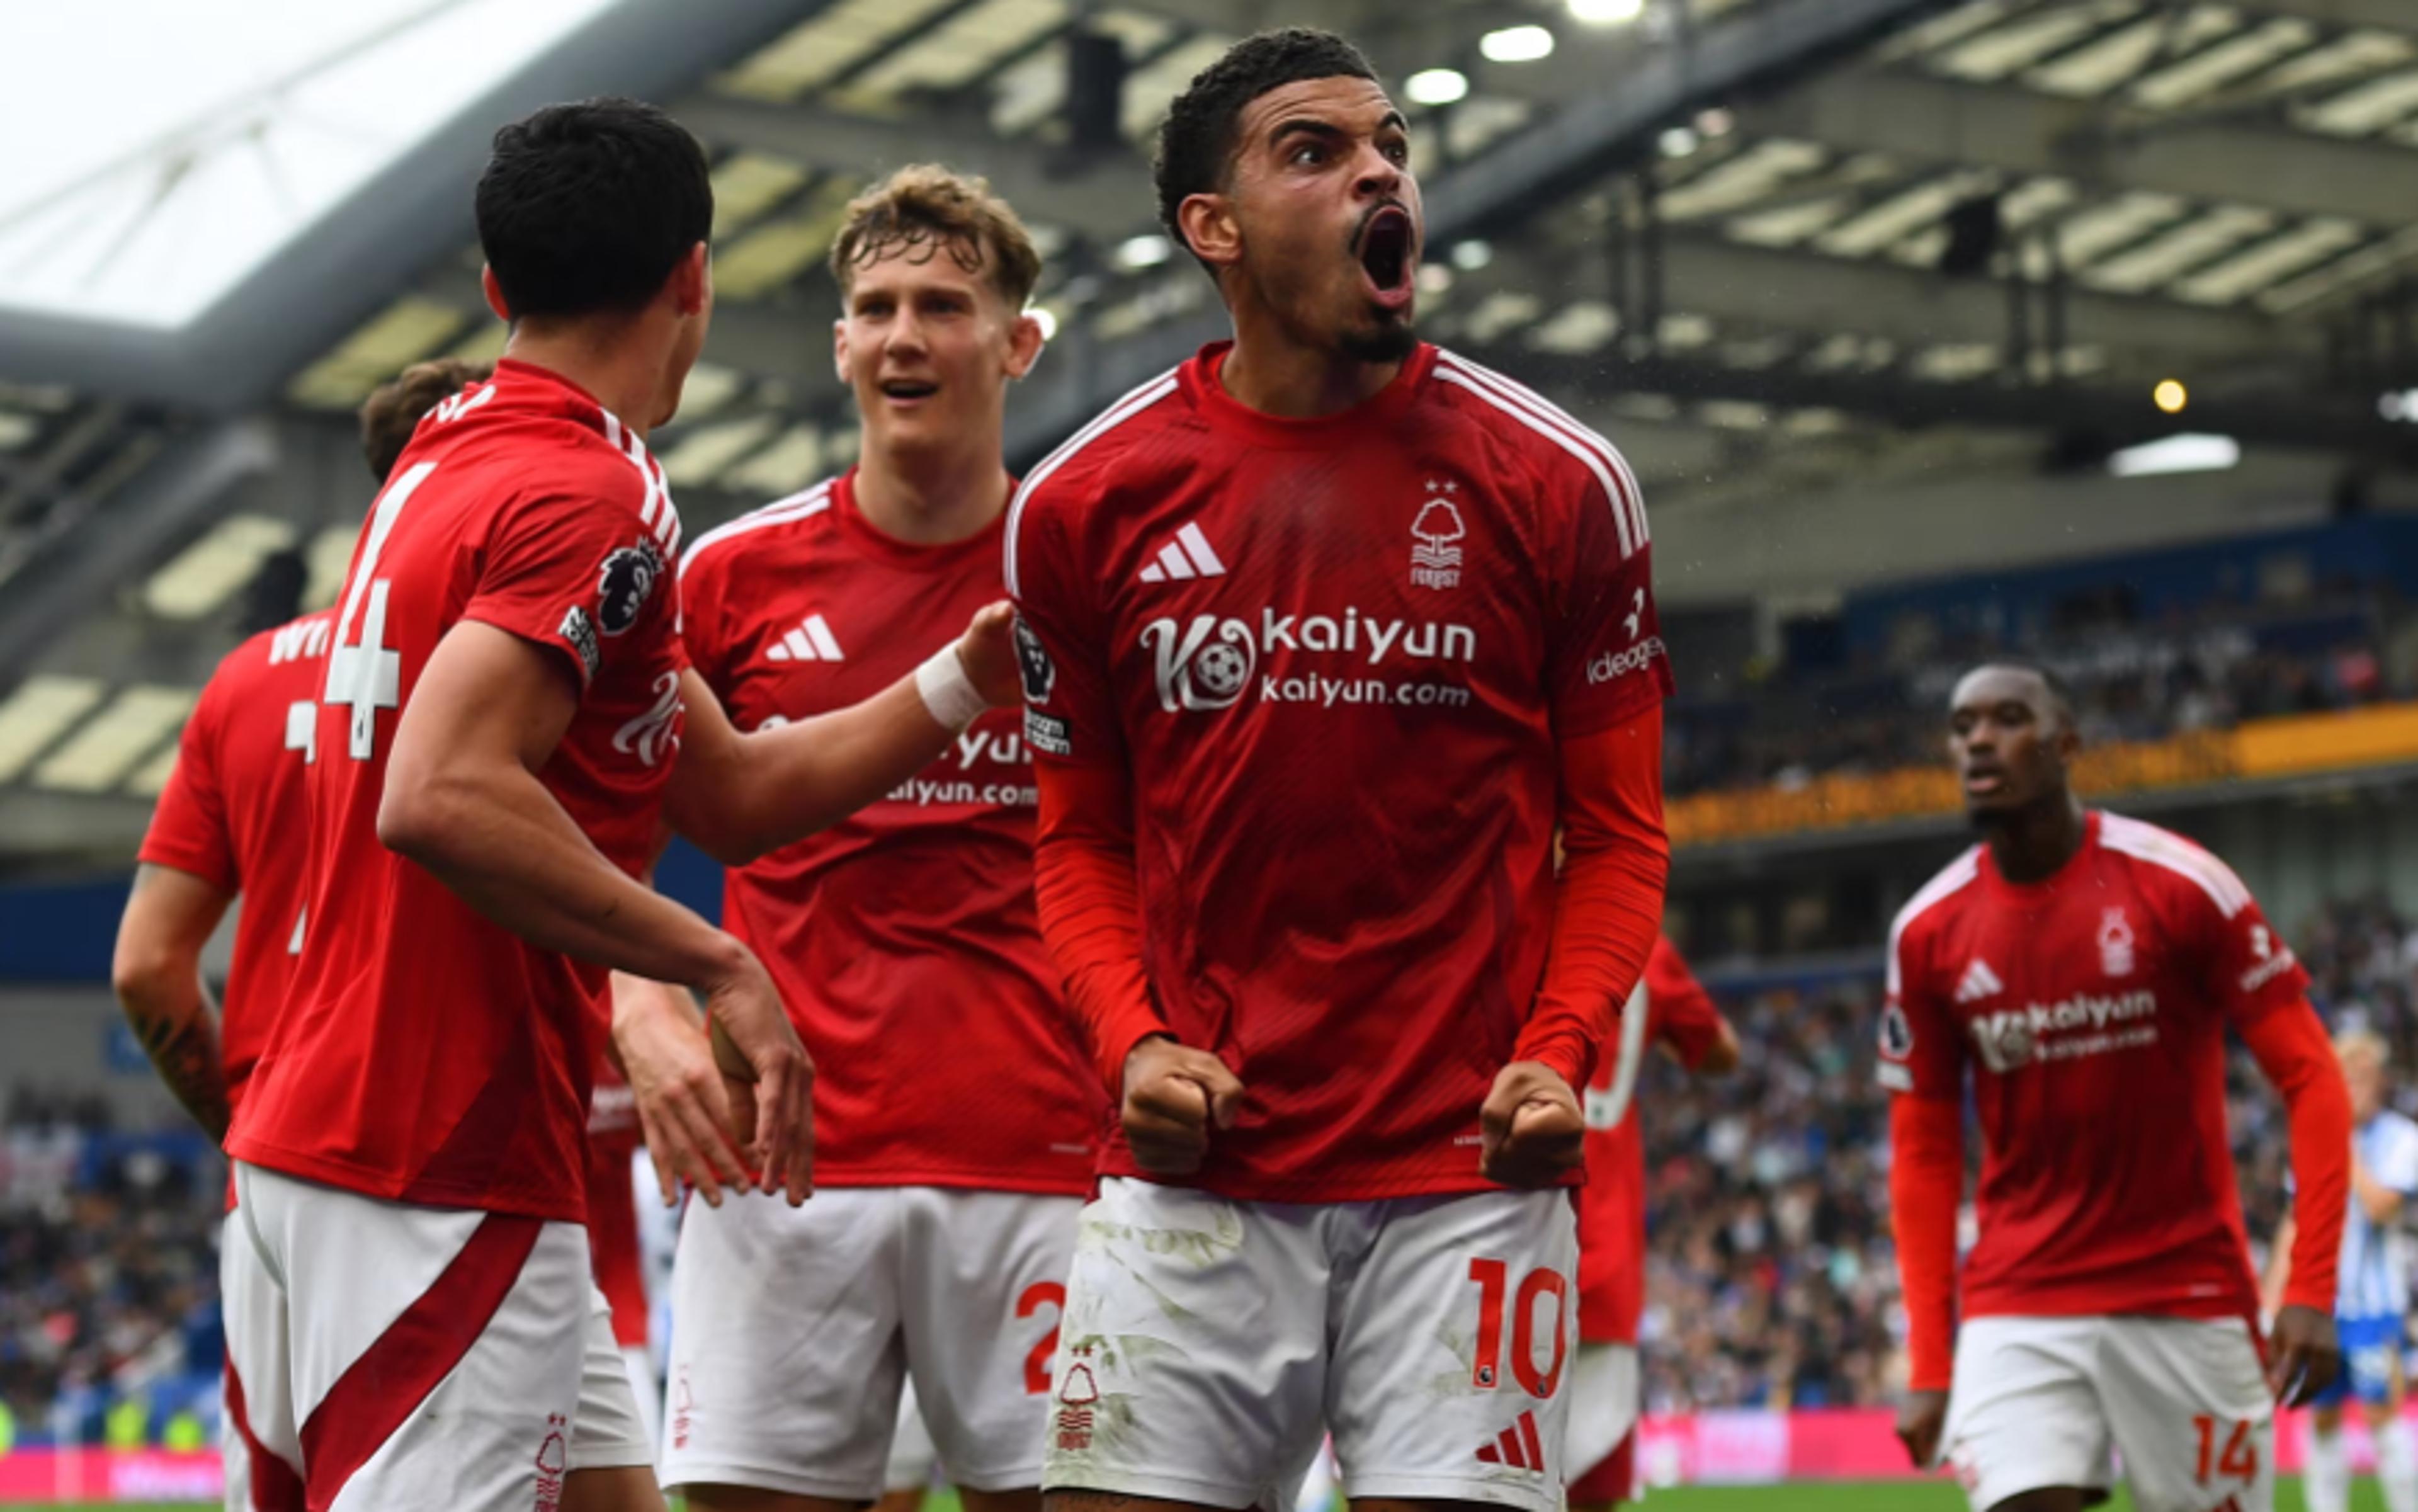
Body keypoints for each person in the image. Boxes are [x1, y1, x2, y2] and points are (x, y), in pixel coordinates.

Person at [219, 98, 1018, 1512]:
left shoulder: (451, 449)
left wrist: (957, 680)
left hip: (342, 1140)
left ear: (493, 287)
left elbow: (734, 792)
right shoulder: (599, 493)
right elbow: (444, 790)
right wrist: (706, 960)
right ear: (694, 280)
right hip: (429, 1155)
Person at [1006, 29, 1672, 1512]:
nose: (1377, 168)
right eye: (1313, 150)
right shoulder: (1080, 505)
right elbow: (1076, 844)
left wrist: (1556, 1050)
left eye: (1388, 146)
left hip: (1466, 1188)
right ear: (1213, 230)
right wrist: (1127, 1043)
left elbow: (1619, 837)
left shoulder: (1557, 484)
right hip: (1194, 1179)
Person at [657, 164, 1091, 1512]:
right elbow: (573, 816)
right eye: (877, 305)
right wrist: (637, 1009)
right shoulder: (727, 576)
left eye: (946, 305)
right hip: (788, 1159)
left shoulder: (1093, 570)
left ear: (1019, 343)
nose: (906, 334)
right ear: (842, 342)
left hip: (1048, 1156)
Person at [1883, 662, 2352, 1512]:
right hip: (2018, 1301)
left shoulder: (2181, 885)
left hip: (2187, 1294)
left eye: (2008, 719)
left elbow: (2314, 1077)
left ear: (2067, 744)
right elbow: (1921, 1152)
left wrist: (2313, 1288)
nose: (1979, 739)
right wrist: (1928, 1357)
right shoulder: (1926, 932)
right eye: (1962, 726)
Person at [1565, 937, 1738, 1509]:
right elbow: (1721, 1051)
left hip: (1498, 1236)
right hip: (1603, 1243)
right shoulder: (1643, 948)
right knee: (1591, 1478)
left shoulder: (1499, 916)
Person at [2264, 1030, 2418, 1512]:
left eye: (2362, 1078)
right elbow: (2295, 1222)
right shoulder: (2312, 1137)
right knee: (2322, 1415)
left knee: (2381, 1413)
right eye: (2344, 1077)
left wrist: (2341, 1144)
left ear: (2380, 1082)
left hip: (2376, 1307)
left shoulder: (2402, 1138)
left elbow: (2380, 1206)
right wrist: (2272, 1300)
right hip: (2321, 1307)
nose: (2353, 1088)